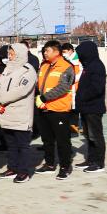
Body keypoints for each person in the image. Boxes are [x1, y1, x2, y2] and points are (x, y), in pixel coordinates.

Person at [0, 43, 38, 183]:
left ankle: (23, 172)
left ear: (20, 55)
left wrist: (2, 99)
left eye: (12, 54)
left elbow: (20, 91)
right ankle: (12, 168)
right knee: (11, 145)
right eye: (9, 54)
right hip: (7, 113)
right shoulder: (8, 68)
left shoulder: (28, 71)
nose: (10, 57)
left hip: (20, 114)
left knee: (22, 145)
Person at [34, 40, 76, 180]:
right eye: (44, 51)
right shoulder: (44, 65)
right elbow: (39, 85)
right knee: (47, 139)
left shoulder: (66, 67)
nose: (45, 53)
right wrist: (38, 97)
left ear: (57, 52)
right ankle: (49, 164)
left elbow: (63, 87)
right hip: (43, 108)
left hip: (59, 109)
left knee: (62, 140)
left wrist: (44, 98)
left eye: (48, 50)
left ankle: (65, 166)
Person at [74, 41, 107, 173]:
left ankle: (99, 163)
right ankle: (91, 159)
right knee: (89, 135)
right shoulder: (88, 66)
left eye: (80, 54)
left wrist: (82, 97)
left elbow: (96, 88)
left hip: (93, 107)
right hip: (86, 107)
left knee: (96, 136)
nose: (79, 57)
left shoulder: (97, 66)